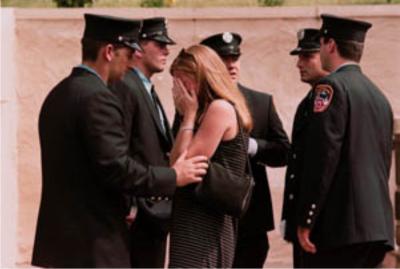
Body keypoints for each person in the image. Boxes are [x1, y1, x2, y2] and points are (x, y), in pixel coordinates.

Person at [31, 14, 208, 268]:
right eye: (128, 54)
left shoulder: (59, 93)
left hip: (63, 245)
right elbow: (116, 168)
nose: (130, 63)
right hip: (94, 245)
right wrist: (173, 176)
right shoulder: (98, 98)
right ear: (110, 51)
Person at [283, 14, 394, 268]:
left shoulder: (330, 88)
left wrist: (307, 218)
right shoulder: (378, 97)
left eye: (321, 43)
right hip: (375, 229)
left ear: (330, 45)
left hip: (339, 229)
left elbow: (323, 157)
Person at [200, 32, 290, 268]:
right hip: (210, 216)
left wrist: (252, 146)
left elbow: (284, 151)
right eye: (223, 59)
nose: (231, 65)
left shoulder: (261, 102)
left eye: (235, 58)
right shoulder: (197, 104)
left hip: (251, 219)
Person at [168, 44, 253, 268]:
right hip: (191, 218)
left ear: (201, 77)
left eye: (181, 81)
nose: (177, 89)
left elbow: (182, 165)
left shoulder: (220, 109)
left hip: (206, 223)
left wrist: (189, 116)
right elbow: (173, 168)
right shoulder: (202, 110)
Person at [111, 17, 177, 268]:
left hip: (154, 211)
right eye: (159, 44)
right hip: (138, 212)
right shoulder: (126, 85)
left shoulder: (144, 87)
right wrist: (129, 204)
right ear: (138, 48)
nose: (166, 50)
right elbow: (120, 147)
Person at [281, 28, 329, 267]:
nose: (299, 64)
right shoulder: (307, 103)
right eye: (299, 57)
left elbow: (324, 162)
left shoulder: (329, 100)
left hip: (322, 225)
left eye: (307, 56)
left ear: (326, 54)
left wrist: (309, 218)